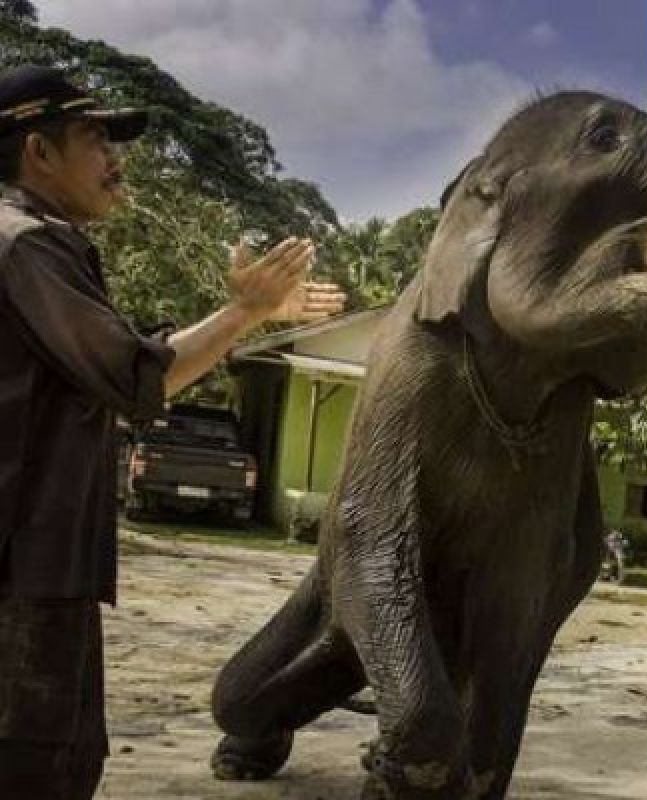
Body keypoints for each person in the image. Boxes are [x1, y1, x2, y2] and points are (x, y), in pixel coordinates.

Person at [0, 65, 345, 798]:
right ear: (38, 152)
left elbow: (132, 368)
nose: (116, 161)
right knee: (38, 765)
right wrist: (245, 312)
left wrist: (252, 316)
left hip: (39, 570)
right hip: (24, 575)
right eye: (96, 139)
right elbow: (135, 377)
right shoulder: (26, 245)